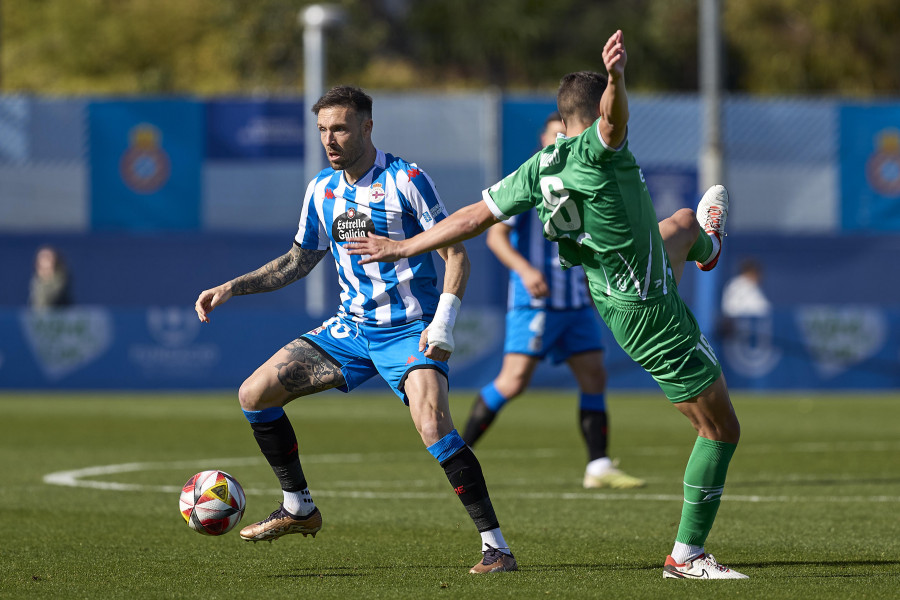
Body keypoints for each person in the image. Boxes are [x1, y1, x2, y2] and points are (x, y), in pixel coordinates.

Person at [347, 31, 747, 579]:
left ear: (560, 119)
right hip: (646, 306)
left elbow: (472, 217)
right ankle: (688, 556)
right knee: (720, 431)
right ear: (594, 112)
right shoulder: (598, 149)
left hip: (609, 291)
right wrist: (618, 80)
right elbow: (613, 120)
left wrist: (404, 245)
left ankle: (707, 245)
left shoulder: (541, 165)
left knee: (679, 224)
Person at [195, 85, 516, 574]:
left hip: (410, 330)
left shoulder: (407, 179)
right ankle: (299, 506)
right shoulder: (322, 189)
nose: (330, 138)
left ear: (367, 126)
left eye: (340, 127)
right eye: (323, 129)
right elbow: (298, 261)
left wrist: (443, 324)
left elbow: (457, 255)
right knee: (253, 394)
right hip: (350, 331)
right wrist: (231, 287)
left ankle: (496, 548)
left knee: (433, 426)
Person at [463, 111, 644, 490]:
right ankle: (458, 454)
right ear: (542, 141)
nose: (563, 141)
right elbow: (495, 237)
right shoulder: (532, 178)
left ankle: (598, 465)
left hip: (576, 303)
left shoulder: (583, 177)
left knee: (595, 375)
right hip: (535, 303)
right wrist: (526, 271)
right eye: (555, 135)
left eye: (568, 135)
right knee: (513, 382)